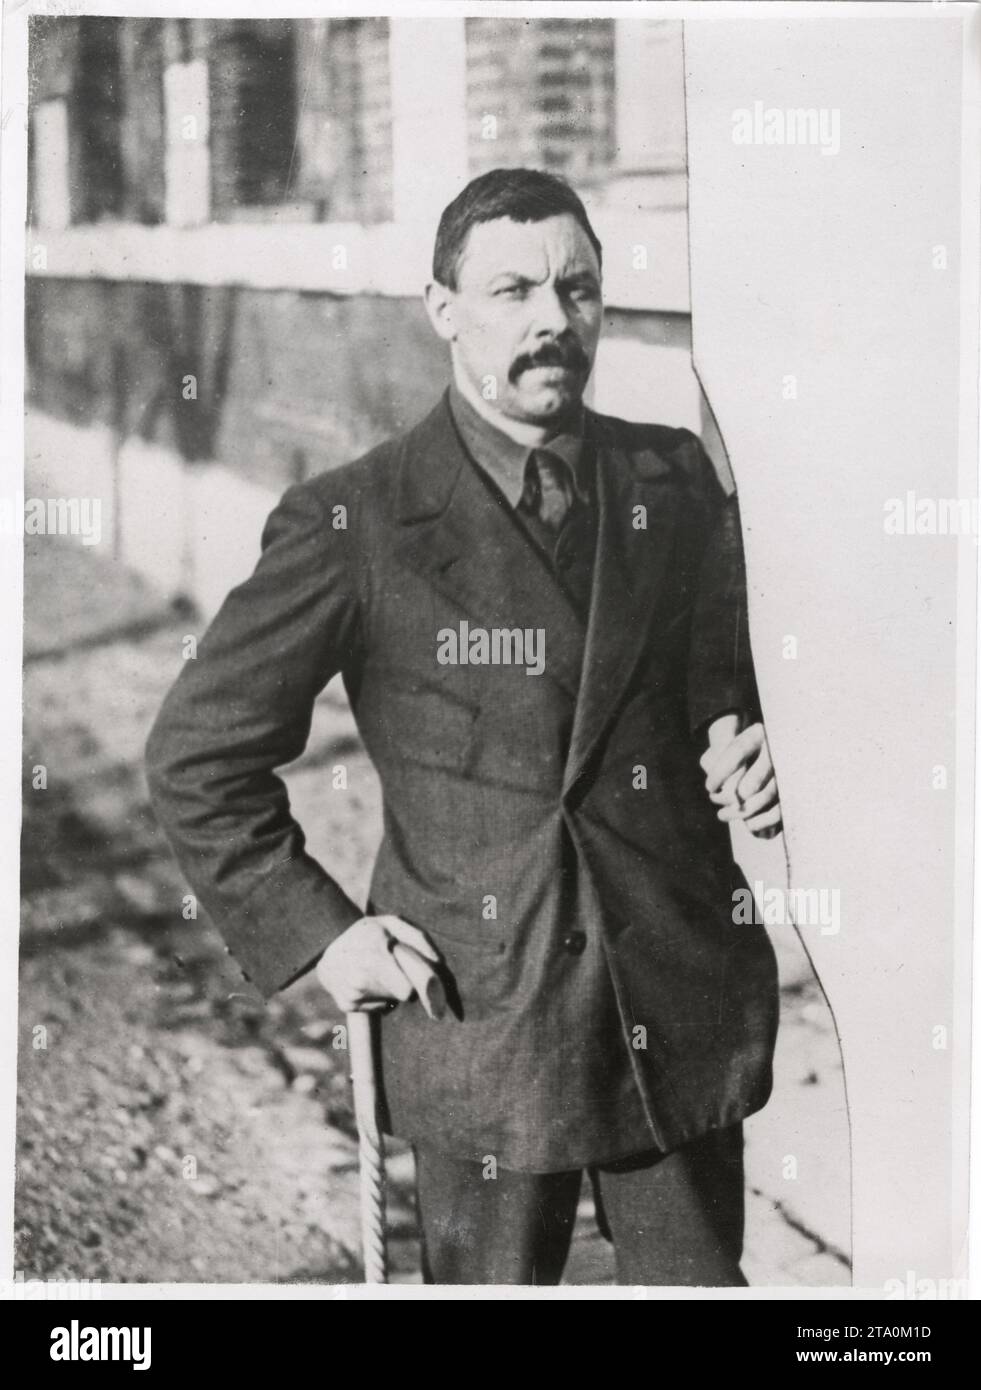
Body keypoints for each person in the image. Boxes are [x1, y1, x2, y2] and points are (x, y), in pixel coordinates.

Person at [145, 167, 782, 1286]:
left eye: (578, 290)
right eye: (512, 291)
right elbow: (199, 751)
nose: (553, 321)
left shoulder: (671, 480)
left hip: (669, 1008)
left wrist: (748, 737)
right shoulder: (359, 520)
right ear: (443, 309)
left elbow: (721, 685)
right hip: (484, 1021)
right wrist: (322, 932)